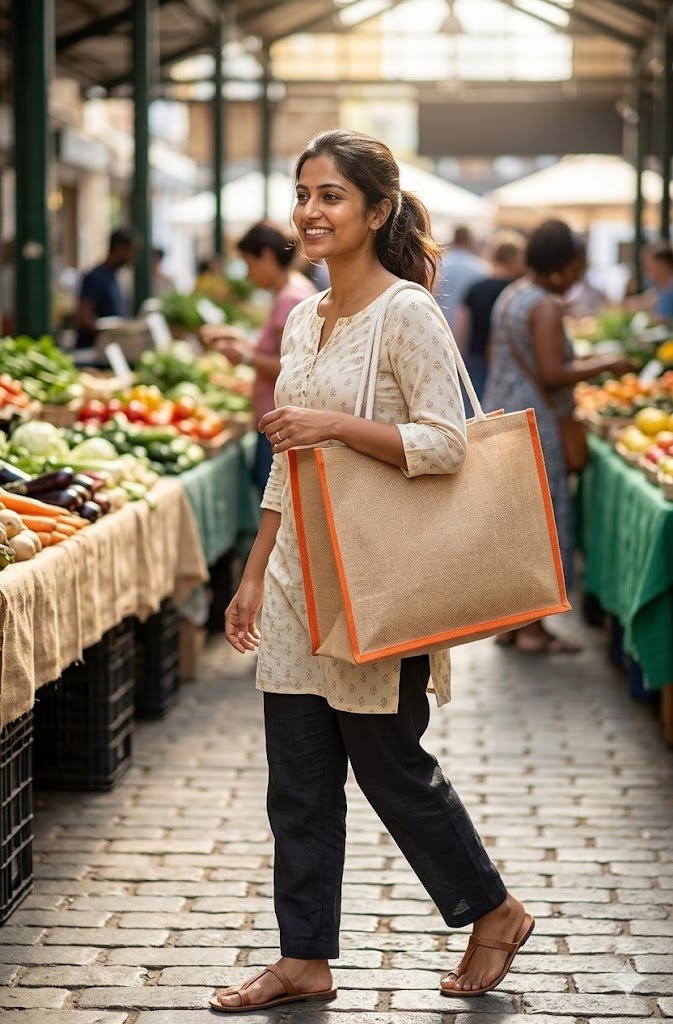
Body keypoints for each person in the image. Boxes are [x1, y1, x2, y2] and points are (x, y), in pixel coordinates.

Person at [209, 128, 535, 1014]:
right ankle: (303, 958)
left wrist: (337, 428)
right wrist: (252, 569)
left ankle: (493, 908)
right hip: (293, 588)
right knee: (299, 786)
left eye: (331, 197)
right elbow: (285, 459)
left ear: (377, 210)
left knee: (391, 768)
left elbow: (443, 445)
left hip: (376, 583)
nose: (309, 213)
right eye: (302, 194)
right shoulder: (309, 317)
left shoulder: (407, 314)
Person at [483, 219, 632, 654]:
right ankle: (532, 629)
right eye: (578, 264)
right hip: (538, 426)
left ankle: (514, 624)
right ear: (563, 264)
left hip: (507, 418)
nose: (580, 273)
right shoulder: (544, 305)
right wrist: (608, 363)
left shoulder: (511, 295)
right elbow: (552, 372)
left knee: (517, 525)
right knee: (542, 525)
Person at [200, 221, 315, 490]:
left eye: (249, 263)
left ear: (267, 256)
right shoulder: (293, 290)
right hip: (278, 420)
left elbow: (294, 369)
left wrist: (245, 357)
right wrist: (239, 340)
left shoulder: (290, 299)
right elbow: (281, 349)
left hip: (278, 422)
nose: (248, 274)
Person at [453, 230, 526, 406]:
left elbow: (461, 328)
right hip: (507, 364)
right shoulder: (516, 292)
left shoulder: (475, 287)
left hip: (475, 359)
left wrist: (460, 361)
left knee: (477, 414)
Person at [74, 228, 137, 349]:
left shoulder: (114, 278)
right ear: (119, 248)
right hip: (92, 351)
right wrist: (109, 333)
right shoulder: (95, 277)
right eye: (131, 251)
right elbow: (83, 316)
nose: (132, 257)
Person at [435, 224, 487, 333]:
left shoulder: (439, 265)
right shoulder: (481, 268)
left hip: (439, 325)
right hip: (467, 330)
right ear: (469, 240)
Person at [642, 241, 673, 320]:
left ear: (663, 265)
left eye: (651, 267)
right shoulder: (659, 289)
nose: (648, 272)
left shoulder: (669, 289)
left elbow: (665, 320)